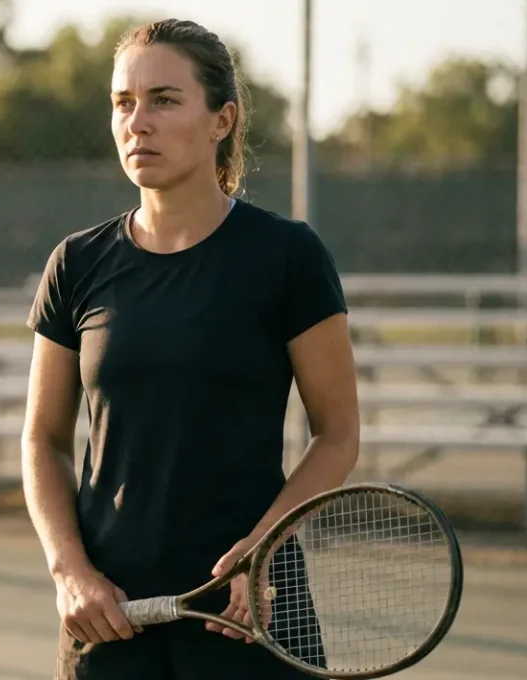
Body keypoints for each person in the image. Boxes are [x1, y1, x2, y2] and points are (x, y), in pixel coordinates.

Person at [20, 18, 361, 680]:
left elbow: (338, 433)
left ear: (221, 120)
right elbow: (43, 440)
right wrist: (70, 572)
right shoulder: (76, 262)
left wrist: (261, 549)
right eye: (123, 102)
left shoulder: (286, 255)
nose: (137, 122)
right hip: (110, 617)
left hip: (250, 611)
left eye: (164, 100)